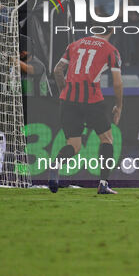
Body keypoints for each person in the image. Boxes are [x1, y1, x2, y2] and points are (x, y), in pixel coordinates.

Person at [50, 25, 123, 194]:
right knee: (107, 140)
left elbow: (57, 70)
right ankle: (103, 184)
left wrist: (64, 92)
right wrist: (119, 106)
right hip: (92, 100)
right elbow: (117, 82)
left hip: (68, 100)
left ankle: (56, 164)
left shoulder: (75, 44)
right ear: (111, 30)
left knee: (74, 146)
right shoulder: (111, 50)